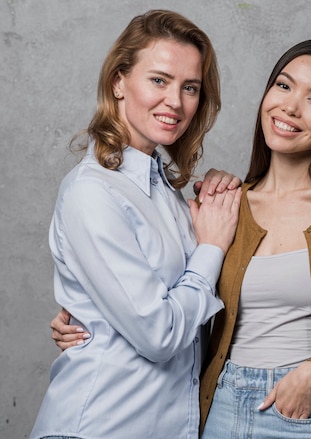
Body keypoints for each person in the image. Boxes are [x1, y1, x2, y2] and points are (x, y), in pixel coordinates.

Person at [50, 39, 311, 438]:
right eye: (284, 86)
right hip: (217, 408)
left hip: (306, 412)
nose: (290, 107)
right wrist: (91, 316)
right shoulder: (222, 205)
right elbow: (172, 301)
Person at [30, 10, 240, 439]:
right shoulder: (93, 192)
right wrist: (212, 248)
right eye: (159, 80)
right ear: (118, 82)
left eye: (190, 87)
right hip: (99, 426)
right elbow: (160, 334)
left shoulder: (167, 192)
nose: (176, 102)